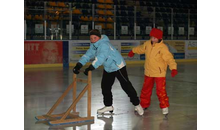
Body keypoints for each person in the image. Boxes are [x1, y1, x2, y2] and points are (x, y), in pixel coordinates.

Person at [73, 29, 144, 115]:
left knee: (126, 86)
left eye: (95, 38)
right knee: (105, 86)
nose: (92, 40)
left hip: (118, 66)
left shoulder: (104, 45)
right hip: (108, 67)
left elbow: (100, 58)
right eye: (91, 38)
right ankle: (108, 106)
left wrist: (90, 68)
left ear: (99, 38)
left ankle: (137, 104)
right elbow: (87, 55)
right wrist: (79, 65)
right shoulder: (94, 46)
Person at [128, 28, 178, 115]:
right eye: (152, 37)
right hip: (148, 72)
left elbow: (169, 58)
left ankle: (164, 106)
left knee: (160, 91)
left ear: (159, 38)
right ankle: (143, 104)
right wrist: (133, 51)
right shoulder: (147, 44)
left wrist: (173, 68)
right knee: (145, 90)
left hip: (159, 73)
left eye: (155, 38)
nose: (153, 39)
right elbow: (141, 48)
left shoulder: (163, 47)